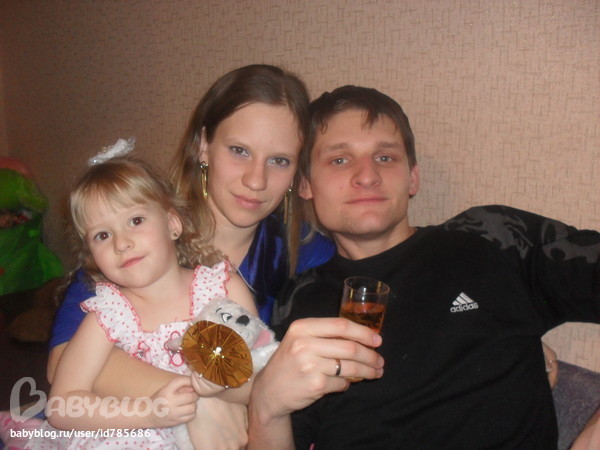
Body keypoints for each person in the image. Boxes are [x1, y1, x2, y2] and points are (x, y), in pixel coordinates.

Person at [247, 85, 600, 448]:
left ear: (413, 177)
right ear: (305, 184)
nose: (367, 176)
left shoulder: (493, 240)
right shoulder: (299, 301)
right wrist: (265, 409)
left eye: (385, 157)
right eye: (339, 160)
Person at [46, 64, 335, 395]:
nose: (256, 180)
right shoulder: (139, 227)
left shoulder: (310, 254)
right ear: (203, 145)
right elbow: (61, 363)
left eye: (279, 160)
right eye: (239, 151)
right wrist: (197, 403)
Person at [27, 154, 256, 449]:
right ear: (90, 255)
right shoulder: (108, 314)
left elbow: (260, 381)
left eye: (135, 221)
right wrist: (148, 412)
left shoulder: (223, 289)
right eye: (102, 235)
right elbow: (61, 407)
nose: (121, 243)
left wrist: (222, 384)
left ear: (172, 223)